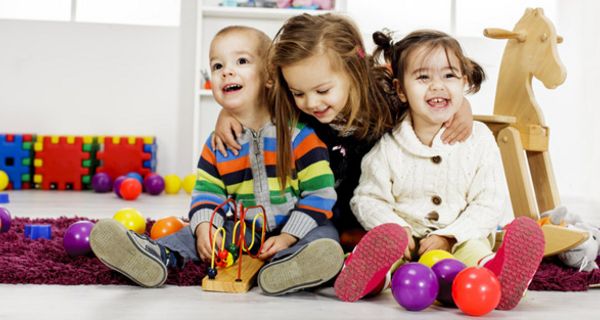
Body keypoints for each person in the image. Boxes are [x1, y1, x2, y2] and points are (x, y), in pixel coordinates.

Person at [89, 26, 345, 296]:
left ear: (270, 75)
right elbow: (206, 194)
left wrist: (288, 235)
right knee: (190, 233)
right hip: (243, 231)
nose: (227, 71)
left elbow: (320, 193)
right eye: (217, 65)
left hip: (298, 226)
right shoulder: (217, 144)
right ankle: (153, 255)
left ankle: (289, 267)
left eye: (242, 61)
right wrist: (204, 229)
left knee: (325, 236)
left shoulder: (300, 135)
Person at [212, 14, 474, 250]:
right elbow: (255, 101)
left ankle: (377, 245)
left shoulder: (385, 94)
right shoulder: (292, 105)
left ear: (353, 72)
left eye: (323, 91)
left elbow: (429, 89)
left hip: (382, 205)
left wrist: (462, 105)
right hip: (323, 214)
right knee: (327, 236)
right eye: (299, 93)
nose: (312, 103)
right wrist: (228, 113)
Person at [334, 29, 545, 311]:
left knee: (474, 254)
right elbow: (368, 198)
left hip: (459, 239)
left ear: (464, 81)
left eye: (449, 76)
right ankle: (363, 275)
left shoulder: (479, 140)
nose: (437, 86)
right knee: (389, 258)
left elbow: (488, 201)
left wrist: (450, 235)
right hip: (405, 244)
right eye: (423, 77)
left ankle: (498, 277)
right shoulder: (390, 145)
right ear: (400, 90)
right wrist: (398, 229)